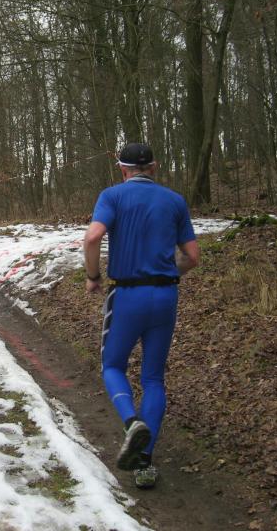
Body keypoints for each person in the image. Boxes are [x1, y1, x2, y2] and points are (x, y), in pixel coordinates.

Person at [83, 143, 200, 489]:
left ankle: (131, 422)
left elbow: (93, 237)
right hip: (165, 295)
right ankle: (144, 463)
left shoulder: (112, 196)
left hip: (127, 295)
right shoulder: (175, 201)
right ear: (154, 167)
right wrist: (167, 272)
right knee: (153, 378)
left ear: (122, 169)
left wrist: (92, 276)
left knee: (113, 366)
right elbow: (192, 257)